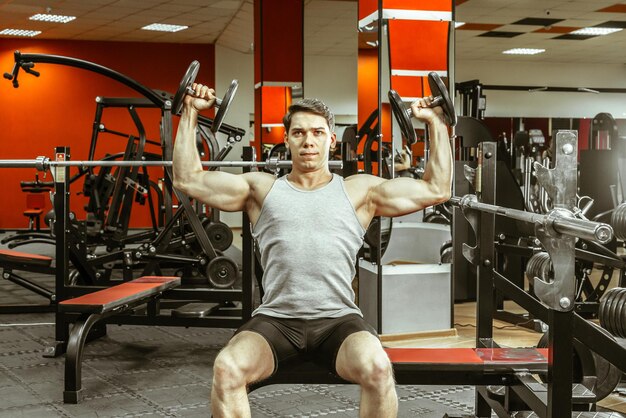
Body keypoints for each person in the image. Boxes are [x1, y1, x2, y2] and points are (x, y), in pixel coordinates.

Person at [172, 83, 453, 418]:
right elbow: (187, 179)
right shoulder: (260, 189)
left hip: (338, 321)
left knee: (378, 369)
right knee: (227, 369)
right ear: (287, 139)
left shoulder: (359, 190)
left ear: (331, 140)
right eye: (299, 133)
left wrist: (436, 123)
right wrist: (189, 111)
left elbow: (437, 188)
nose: (308, 141)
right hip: (276, 321)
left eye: (318, 132)